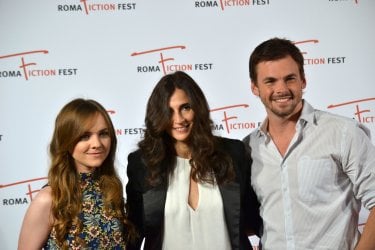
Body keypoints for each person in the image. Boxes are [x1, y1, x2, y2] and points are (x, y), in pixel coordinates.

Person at [243, 37, 375, 249]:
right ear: (255, 87)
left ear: (303, 81)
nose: (281, 89)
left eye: (290, 79)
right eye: (270, 81)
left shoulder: (343, 133)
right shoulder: (248, 148)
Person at [125, 71, 262, 250]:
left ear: (198, 108)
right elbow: (133, 234)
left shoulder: (232, 153)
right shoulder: (142, 164)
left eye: (185, 107)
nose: (178, 119)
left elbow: (255, 218)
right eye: (169, 111)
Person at [18, 98, 134, 249]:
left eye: (103, 134)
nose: (97, 144)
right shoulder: (49, 199)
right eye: (85, 136)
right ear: (66, 140)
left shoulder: (111, 190)